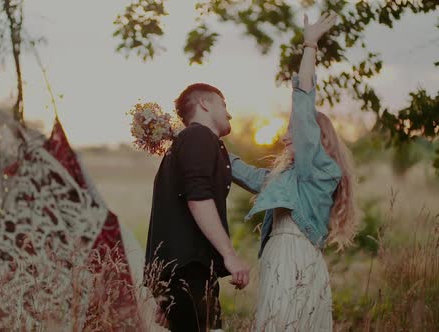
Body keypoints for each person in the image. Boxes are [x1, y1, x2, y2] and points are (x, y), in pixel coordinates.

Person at [229, 12, 359, 331]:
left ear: (313, 137)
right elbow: (240, 171)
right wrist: (193, 137)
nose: (285, 137)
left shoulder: (319, 171)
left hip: (294, 257)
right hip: (280, 255)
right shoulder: (287, 180)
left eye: (293, 131)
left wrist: (310, 45)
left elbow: (303, 104)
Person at [144, 82, 250, 331]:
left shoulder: (185, 144)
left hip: (184, 271)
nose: (229, 113)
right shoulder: (198, 136)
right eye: (223, 105)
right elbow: (198, 197)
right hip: (188, 270)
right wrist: (229, 255)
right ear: (204, 103)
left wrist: (167, 291)